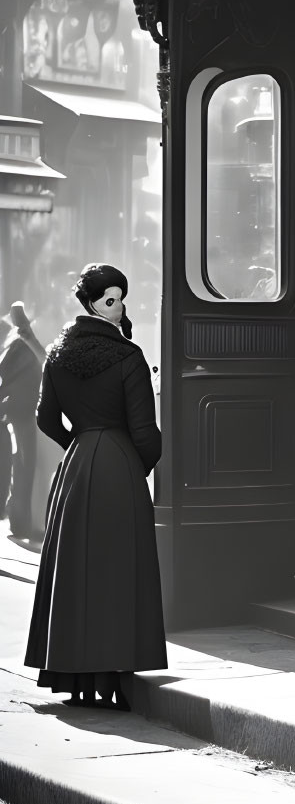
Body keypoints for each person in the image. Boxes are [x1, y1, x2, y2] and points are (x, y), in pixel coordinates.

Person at [24, 264, 165, 709]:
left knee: (77, 571)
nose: (120, 307)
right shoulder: (128, 356)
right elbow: (145, 432)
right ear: (92, 303)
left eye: (121, 298)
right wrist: (135, 462)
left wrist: (79, 445)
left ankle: (73, 674)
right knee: (117, 572)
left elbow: (45, 418)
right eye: (111, 300)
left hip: (77, 467)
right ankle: (115, 671)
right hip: (119, 467)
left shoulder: (56, 353)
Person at [0, 304, 46, 541]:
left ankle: (20, 517)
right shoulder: (21, 342)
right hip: (24, 409)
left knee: (22, 464)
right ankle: (21, 519)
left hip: (18, 408)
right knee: (26, 464)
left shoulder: (14, 343)